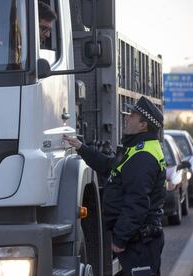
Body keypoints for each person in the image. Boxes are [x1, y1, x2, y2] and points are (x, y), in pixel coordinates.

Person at [63, 96, 166, 276]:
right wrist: (81, 147)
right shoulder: (138, 150)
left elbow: (137, 203)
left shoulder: (143, 157)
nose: (126, 118)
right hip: (139, 241)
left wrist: (120, 238)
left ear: (143, 124)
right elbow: (109, 167)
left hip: (140, 244)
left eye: (132, 116)